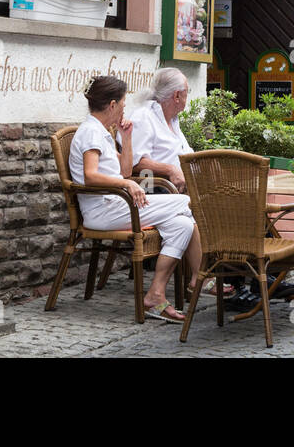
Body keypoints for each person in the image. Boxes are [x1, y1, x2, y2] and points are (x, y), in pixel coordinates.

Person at [69, 75, 206, 323]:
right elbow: (90, 176)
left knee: (183, 225)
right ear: (112, 105)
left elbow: (122, 170)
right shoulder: (90, 132)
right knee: (185, 203)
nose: (124, 108)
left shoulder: (102, 131)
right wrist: (127, 184)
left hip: (117, 205)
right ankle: (199, 275)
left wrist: (127, 136)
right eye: (122, 103)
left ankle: (155, 294)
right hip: (103, 211)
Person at [128, 68, 194, 192]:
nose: (188, 95)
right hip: (157, 188)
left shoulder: (172, 119)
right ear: (177, 95)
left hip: (184, 186)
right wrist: (170, 169)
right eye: (187, 91)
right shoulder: (143, 116)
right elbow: (134, 162)